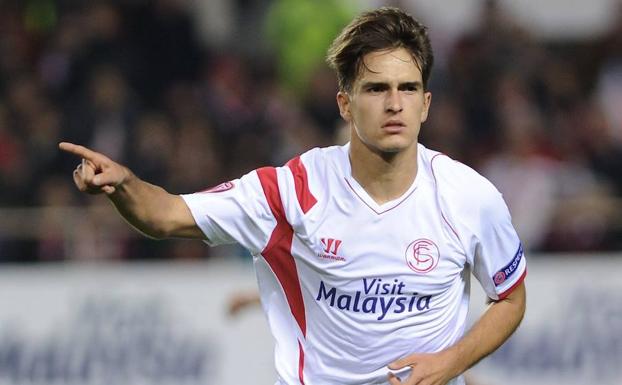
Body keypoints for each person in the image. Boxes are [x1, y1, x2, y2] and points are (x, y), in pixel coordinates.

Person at [60, 7, 526, 385]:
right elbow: (165, 215)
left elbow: (510, 298)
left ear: (426, 104)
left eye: (408, 89)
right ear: (345, 103)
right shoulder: (289, 191)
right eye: (376, 88)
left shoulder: (470, 196)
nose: (394, 103)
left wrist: (453, 362)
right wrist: (124, 186)